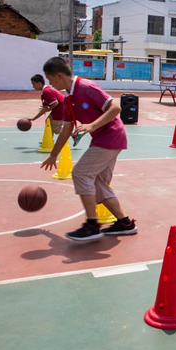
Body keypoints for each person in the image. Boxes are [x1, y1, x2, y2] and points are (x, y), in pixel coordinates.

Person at [39, 57, 137, 241]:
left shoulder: (86, 87)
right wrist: (53, 155)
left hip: (111, 136)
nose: (50, 84)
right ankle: (125, 223)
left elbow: (116, 108)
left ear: (59, 76)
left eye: (50, 79)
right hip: (104, 139)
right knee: (98, 183)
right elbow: (67, 128)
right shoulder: (68, 98)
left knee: (81, 174)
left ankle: (92, 225)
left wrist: (92, 125)